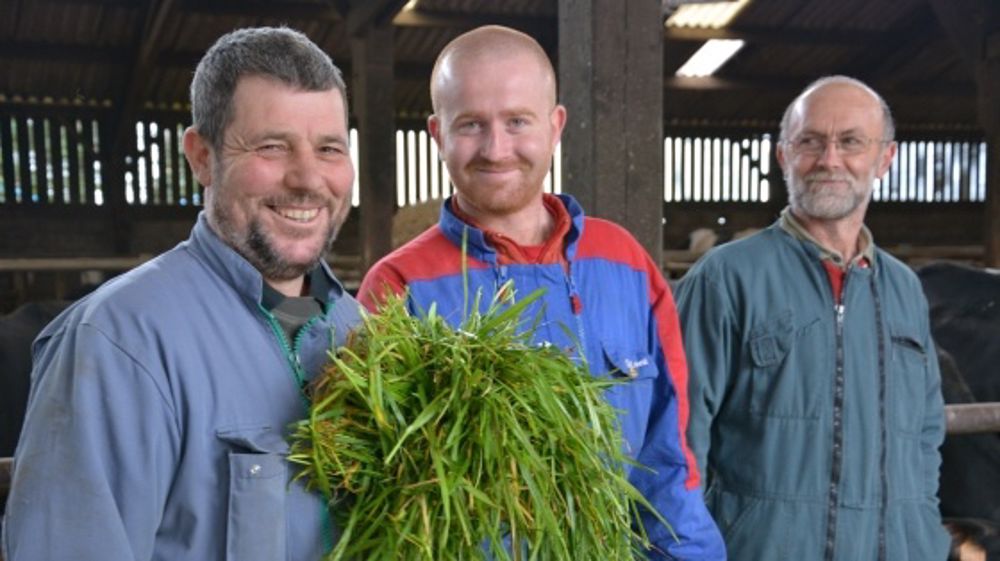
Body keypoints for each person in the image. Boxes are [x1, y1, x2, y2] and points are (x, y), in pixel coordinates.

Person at [358, 25, 726, 560]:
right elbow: (381, 495)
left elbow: (667, 455)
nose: (495, 148)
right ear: (437, 133)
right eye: (471, 125)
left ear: (555, 127)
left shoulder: (624, 262)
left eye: (517, 122)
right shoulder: (398, 287)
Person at [2, 27, 361, 560]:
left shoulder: (357, 329)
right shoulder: (117, 344)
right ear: (201, 157)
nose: (308, 178)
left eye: (329, 148)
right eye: (271, 146)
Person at [675, 75, 950, 560]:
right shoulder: (727, 278)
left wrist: (923, 536)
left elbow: (925, 439)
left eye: (851, 142)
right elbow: (679, 442)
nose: (829, 160)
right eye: (810, 142)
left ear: (885, 158)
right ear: (784, 156)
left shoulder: (905, 289)